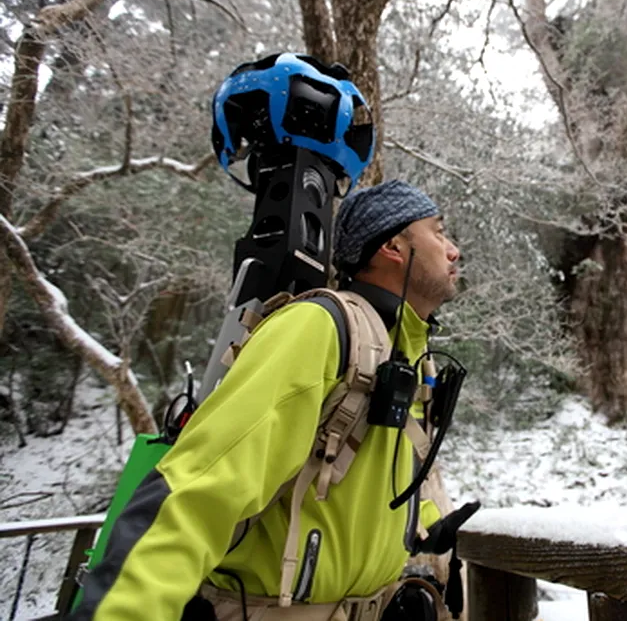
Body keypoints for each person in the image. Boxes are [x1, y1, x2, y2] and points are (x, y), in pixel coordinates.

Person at [72, 180, 466, 621]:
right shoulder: (317, 328)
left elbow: (364, 476)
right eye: (438, 233)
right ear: (393, 246)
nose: (453, 251)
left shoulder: (409, 353)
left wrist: (424, 522)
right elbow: (201, 488)